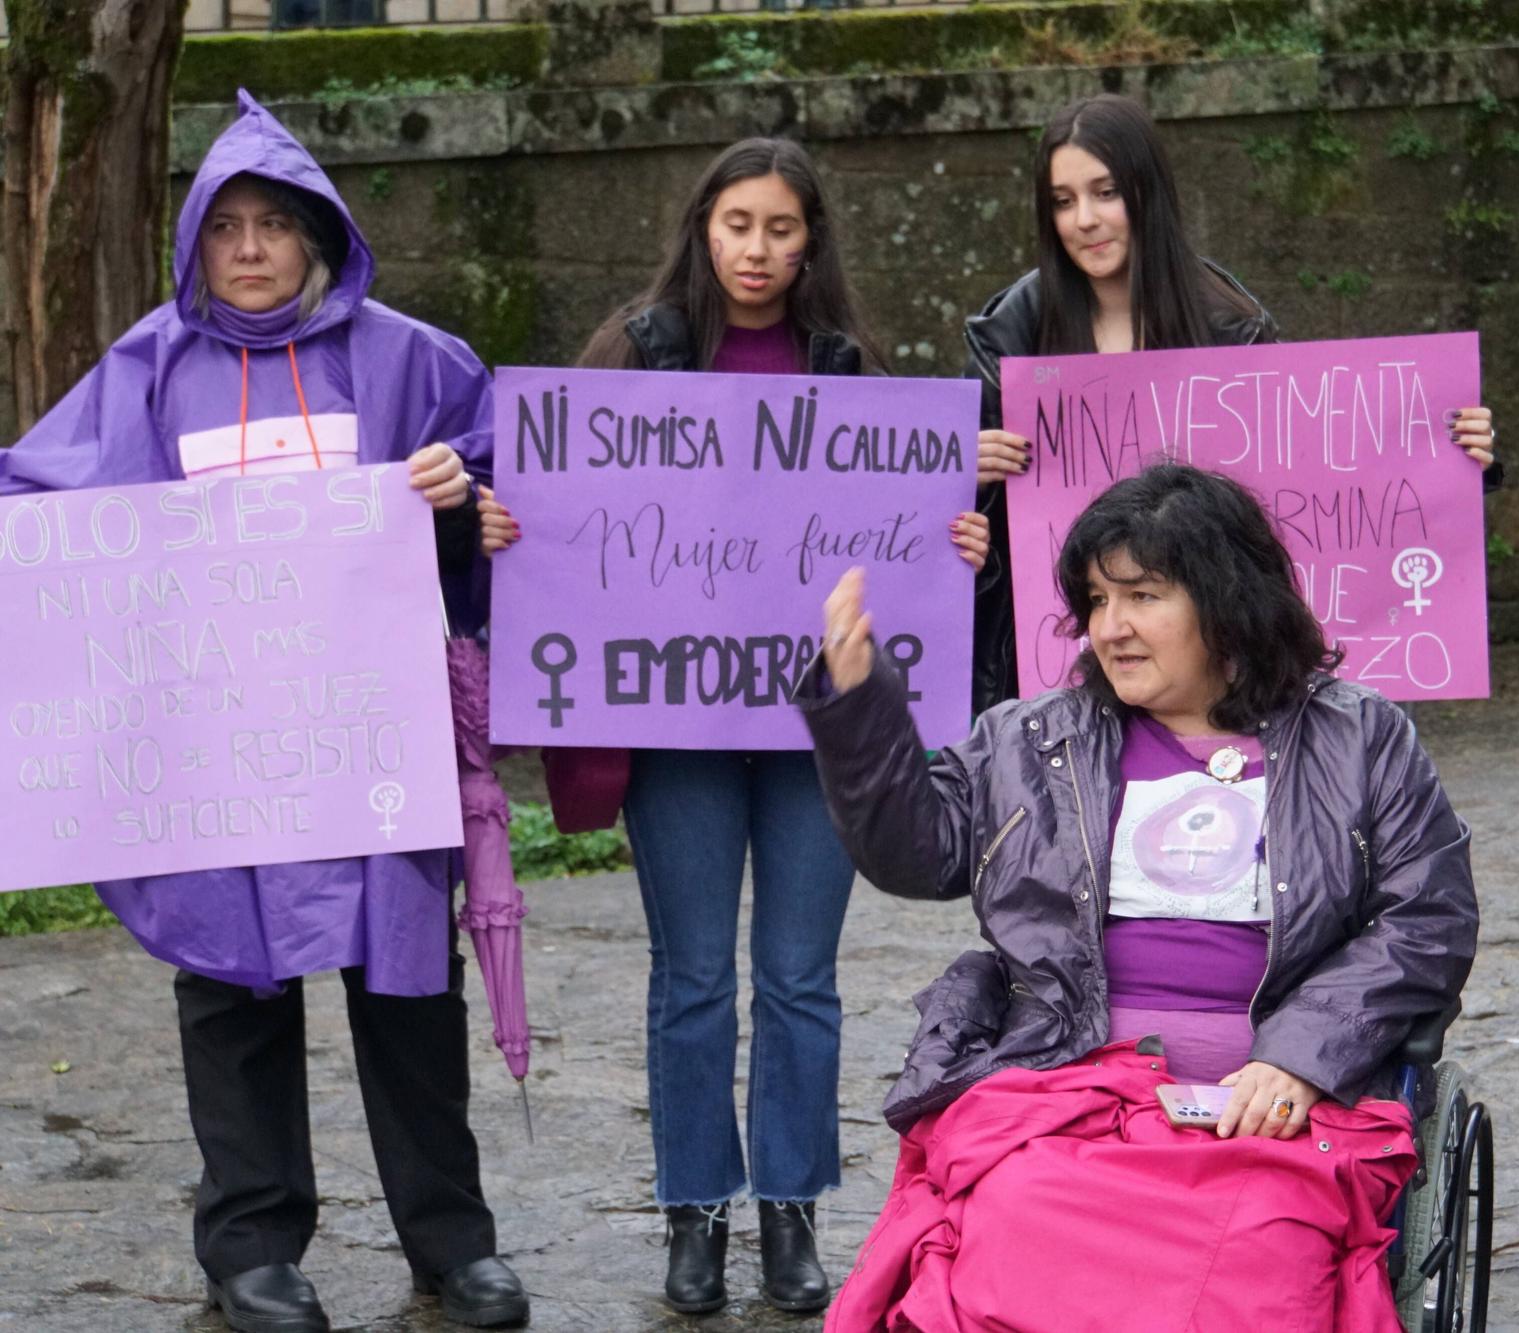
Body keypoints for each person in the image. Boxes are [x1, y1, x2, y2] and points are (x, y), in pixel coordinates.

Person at [0, 92, 526, 1333]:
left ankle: (453, 1242)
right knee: (228, 990)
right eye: (224, 225)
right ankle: (250, 1247)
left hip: (374, 740)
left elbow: (515, 500)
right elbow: (43, 511)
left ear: (320, 237)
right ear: (194, 244)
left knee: (408, 996)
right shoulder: (145, 369)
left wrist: (465, 502)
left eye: (273, 225)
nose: (247, 249)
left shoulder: (417, 360)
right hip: (212, 757)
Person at [478, 137, 989, 1317]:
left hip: (820, 731)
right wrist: (512, 527)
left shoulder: (851, 370)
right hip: (679, 732)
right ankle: (694, 1212)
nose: (757, 249)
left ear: (812, 241)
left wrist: (953, 542)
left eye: (781, 228)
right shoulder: (636, 350)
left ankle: (792, 1208)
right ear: (702, 229)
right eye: (736, 225)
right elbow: (561, 513)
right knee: (693, 977)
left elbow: (905, 529)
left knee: (801, 979)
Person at [798, 463, 1479, 1330]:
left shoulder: (1356, 737)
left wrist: (1304, 1054)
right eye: (1094, 601)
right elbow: (915, 854)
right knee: (1011, 1218)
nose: (1109, 628)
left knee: (1260, 1257)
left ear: (1226, 601)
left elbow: (1429, 916)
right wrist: (860, 710)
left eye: (1143, 596)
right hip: (1069, 1092)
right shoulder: (1034, 738)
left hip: (1270, 1111)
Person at [963, 92, 1500, 714]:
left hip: (1209, 670)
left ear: (1147, 193)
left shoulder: (1229, 325)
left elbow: (1323, 474)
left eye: (1105, 192)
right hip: (1063, 661)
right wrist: (965, 475)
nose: (1083, 219)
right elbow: (965, 543)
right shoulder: (1010, 333)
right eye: (1062, 201)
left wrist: (1450, 452)